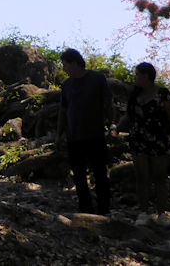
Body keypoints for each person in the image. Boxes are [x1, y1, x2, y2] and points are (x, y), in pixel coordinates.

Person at [117, 61, 170, 225]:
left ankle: (162, 213)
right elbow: (129, 116)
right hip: (139, 140)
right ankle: (144, 212)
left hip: (159, 139)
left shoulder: (163, 94)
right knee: (141, 176)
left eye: (138, 75)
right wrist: (116, 127)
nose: (136, 78)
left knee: (160, 176)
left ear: (146, 76)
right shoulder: (135, 95)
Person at [56, 47, 114, 215]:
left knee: (100, 173)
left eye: (65, 65)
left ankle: (104, 208)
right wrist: (59, 134)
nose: (64, 69)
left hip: (95, 134)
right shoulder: (66, 85)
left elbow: (108, 103)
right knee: (79, 175)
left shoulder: (97, 79)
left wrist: (113, 125)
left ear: (74, 63)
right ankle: (85, 208)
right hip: (74, 136)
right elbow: (63, 110)